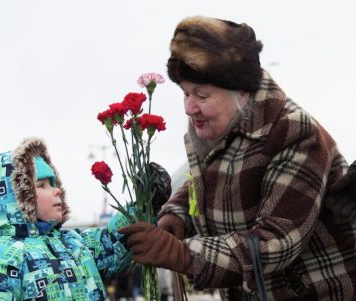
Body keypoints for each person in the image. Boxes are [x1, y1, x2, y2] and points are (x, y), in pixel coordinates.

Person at [119, 16, 356, 300]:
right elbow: (205, 181)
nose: (189, 107)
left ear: (242, 93)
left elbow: (276, 243)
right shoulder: (213, 125)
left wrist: (182, 254)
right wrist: (177, 213)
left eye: (202, 95)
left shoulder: (295, 132)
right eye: (185, 93)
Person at [0, 137, 170, 300]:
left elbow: (111, 242)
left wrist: (145, 203)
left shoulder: (72, 243)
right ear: (12, 198)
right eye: (42, 185)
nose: (57, 190)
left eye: (53, 182)